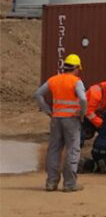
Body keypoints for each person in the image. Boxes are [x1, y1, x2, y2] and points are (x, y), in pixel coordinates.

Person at [33, 54, 87, 192]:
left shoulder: (53, 80)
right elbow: (83, 99)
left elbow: (37, 94)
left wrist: (48, 111)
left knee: (54, 150)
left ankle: (51, 183)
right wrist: (82, 113)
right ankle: (69, 184)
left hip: (56, 119)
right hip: (71, 120)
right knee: (72, 150)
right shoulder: (76, 81)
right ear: (75, 68)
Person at [82, 77, 106, 142]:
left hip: (95, 115)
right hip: (83, 116)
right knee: (81, 135)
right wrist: (101, 124)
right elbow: (88, 112)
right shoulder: (96, 92)